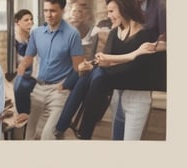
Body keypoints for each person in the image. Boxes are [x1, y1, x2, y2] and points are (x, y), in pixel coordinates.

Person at [54, 0, 160, 139]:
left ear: (123, 9)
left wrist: (110, 60)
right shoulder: (115, 32)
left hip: (135, 99)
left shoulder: (145, 35)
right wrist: (96, 63)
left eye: (111, 11)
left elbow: (132, 67)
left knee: (96, 76)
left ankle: (76, 129)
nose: (108, 15)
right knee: (89, 74)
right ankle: (75, 128)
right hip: (117, 96)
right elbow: (107, 60)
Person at [17, 0, 84, 140]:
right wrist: (22, 66)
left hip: (59, 91)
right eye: (46, 10)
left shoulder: (73, 34)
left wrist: (66, 86)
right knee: (29, 135)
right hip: (39, 88)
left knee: (48, 135)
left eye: (53, 11)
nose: (48, 15)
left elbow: (78, 67)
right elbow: (29, 57)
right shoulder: (36, 33)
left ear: (62, 10)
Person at [12, 9, 35, 123]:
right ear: (17, 22)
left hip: (32, 71)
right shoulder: (13, 39)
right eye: (26, 20)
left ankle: (29, 116)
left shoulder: (32, 37)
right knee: (21, 85)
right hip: (19, 73)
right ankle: (23, 115)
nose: (30, 22)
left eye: (31, 19)